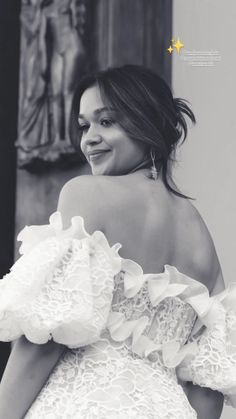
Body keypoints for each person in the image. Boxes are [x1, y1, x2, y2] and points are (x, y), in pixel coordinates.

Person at [0, 64, 235, 419]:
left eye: (106, 122)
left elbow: (45, 337)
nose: (89, 138)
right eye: (84, 126)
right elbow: (207, 388)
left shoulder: (85, 195)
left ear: (147, 124)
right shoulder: (202, 238)